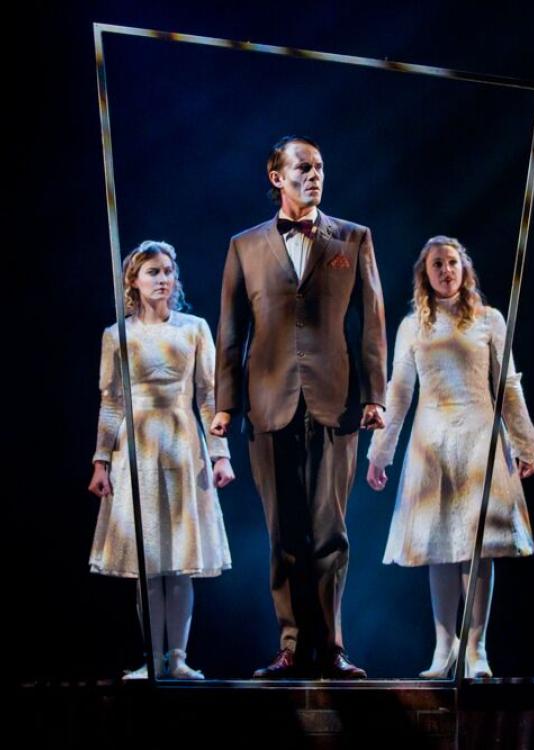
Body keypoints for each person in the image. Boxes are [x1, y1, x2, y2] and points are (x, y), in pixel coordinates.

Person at [211, 136, 387, 679]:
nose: (314, 175)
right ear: (276, 176)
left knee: (329, 531)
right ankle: (291, 645)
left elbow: (371, 323)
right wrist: (225, 405)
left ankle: (331, 646)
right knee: (284, 534)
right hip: (268, 403)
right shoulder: (245, 245)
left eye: (320, 167)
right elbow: (231, 330)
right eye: (303, 167)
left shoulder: (352, 238)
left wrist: (376, 395)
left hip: (335, 402)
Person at [365, 235, 534, 679]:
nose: (446, 270)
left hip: (480, 438)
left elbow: (508, 385)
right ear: (425, 274)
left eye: (452, 263)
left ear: (464, 269)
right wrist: (380, 454)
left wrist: (525, 444)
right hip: (433, 441)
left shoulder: (489, 320)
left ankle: (476, 647)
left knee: (478, 547)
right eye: (437, 265)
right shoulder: (413, 326)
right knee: (439, 547)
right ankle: (445, 647)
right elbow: (399, 392)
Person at [88, 240, 235, 680]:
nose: (163, 279)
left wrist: (220, 455)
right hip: (137, 448)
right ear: (134, 279)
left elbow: (210, 398)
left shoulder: (193, 329)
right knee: (148, 562)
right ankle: (152, 659)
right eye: (153, 271)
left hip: (182, 441)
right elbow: (112, 402)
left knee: (181, 558)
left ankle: (178, 657)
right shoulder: (118, 334)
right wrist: (101, 461)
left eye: (168, 271)